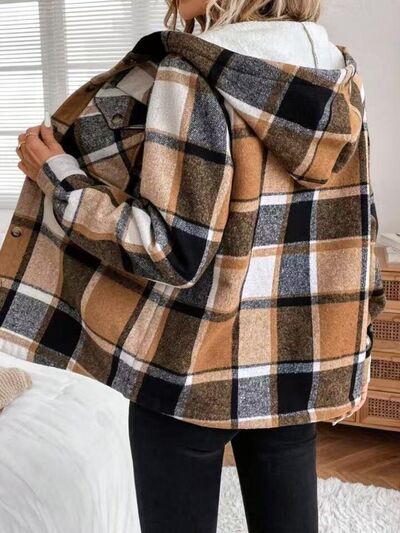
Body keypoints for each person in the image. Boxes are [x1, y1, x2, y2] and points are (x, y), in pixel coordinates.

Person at [10, 0, 386, 532]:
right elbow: (358, 226)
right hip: (295, 357)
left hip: (191, 362)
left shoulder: (193, 72)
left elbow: (167, 248)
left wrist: (59, 177)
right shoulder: (335, 73)